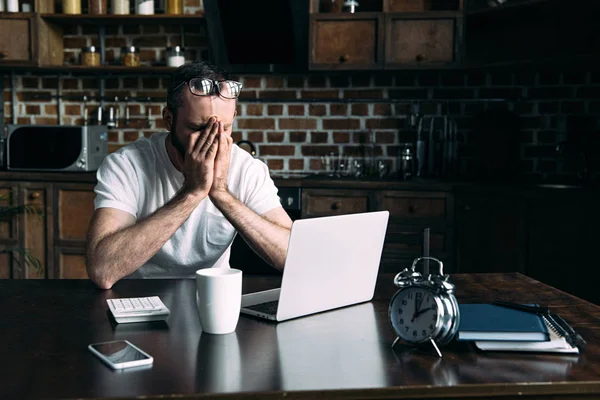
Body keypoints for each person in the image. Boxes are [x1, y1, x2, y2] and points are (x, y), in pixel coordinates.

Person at [86, 61, 293, 289]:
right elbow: (102, 270)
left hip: (211, 297)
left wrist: (221, 193)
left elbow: (293, 258)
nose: (212, 139)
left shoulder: (247, 169)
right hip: (138, 297)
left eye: (223, 128)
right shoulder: (126, 165)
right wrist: (191, 193)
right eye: (197, 128)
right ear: (168, 119)